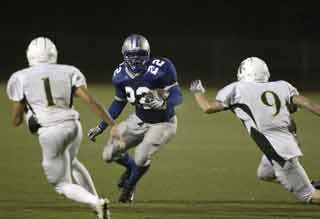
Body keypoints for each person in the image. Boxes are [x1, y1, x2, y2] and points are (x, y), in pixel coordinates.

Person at [6, 36, 122, 219]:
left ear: (29, 55)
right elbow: (91, 101)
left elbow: (16, 120)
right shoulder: (69, 71)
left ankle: (96, 203)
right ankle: (98, 207)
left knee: (61, 184)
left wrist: (30, 115)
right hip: (73, 127)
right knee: (72, 162)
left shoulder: (20, 77)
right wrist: (112, 124)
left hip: (50, 131)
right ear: (54, 54)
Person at [190, 56, 320, 203]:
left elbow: (207, 107)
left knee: (310, 196)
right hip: (289, 141)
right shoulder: (282, 85)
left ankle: (306, 187)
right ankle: (306, 182)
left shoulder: (237, 88)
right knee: (264, 173)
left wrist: (197, 91)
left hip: (279, 151)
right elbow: (308, 103)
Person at [88, 34, 183, 203]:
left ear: (147, 54)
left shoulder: (162, 67)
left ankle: (129, 187)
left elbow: (178, 96)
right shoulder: (119, 75)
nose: (135, 59)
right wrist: (101, 127)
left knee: (141, 156)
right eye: (131, 55)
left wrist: (164, 101)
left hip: (163, 122)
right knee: (108, 154)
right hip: (138, 119)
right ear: (124, 54)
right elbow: (118, 103)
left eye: (139, 54)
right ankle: (132, 169)